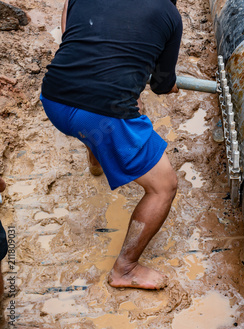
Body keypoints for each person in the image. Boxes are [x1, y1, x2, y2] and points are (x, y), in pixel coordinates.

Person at [40, 0, 182, 290]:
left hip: (53, 98)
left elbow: (68, 17)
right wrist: (170, 84)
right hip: (100, 118)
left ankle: (96, 161)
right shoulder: (169, 14)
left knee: (98, 111)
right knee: (164, 186)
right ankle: (125, 269)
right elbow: (160, 84)